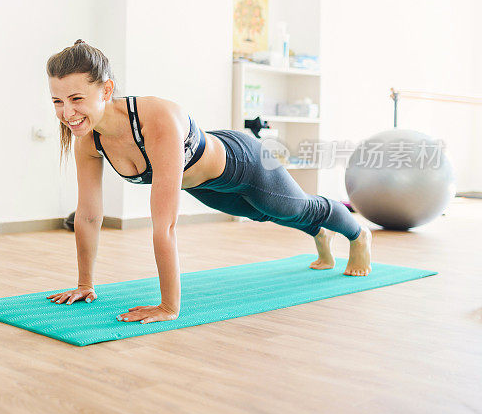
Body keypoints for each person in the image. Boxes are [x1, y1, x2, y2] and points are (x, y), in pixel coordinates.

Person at [45, 40, 372, 324]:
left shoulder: (156, 120)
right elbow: (88, 215)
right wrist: (85, 284)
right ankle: (320, 233)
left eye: (76, 99)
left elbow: (166, 226)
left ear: (106, 90)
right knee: (266, 214)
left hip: (244, 164)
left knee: (296, 207)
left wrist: (168, 306)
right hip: (205, 185)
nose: (67, 112)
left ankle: (358, 237)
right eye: (58, 102)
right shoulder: (88, 140)